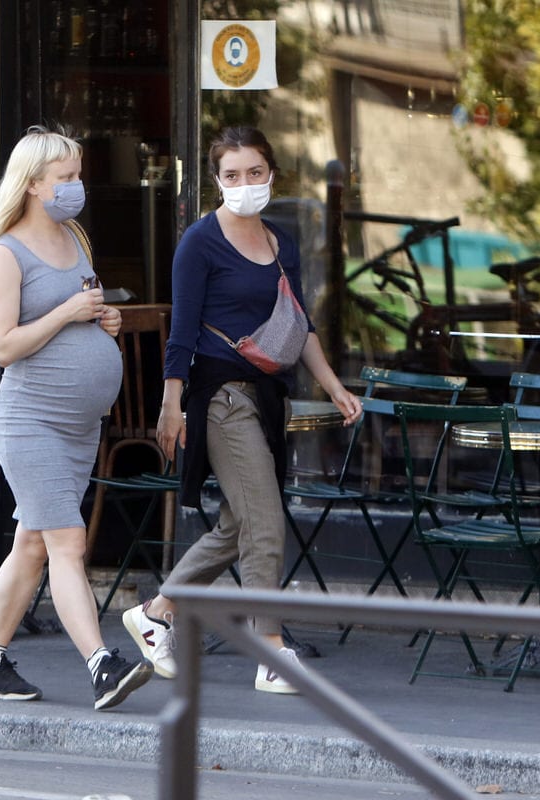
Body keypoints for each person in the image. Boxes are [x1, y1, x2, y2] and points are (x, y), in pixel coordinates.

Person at [122, 126, 362, 694]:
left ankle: (156, 613)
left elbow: (296, 325)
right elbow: (181, 332)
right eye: (232, 175)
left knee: (241, 523)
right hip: (219, 397)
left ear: (272, 174)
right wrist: (171, 403)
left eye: (255, 172)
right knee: (265, 519)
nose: (245, 184)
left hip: (266, 397)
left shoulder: (283, 243)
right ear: (216, 181)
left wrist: (332, 385)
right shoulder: (199, 243)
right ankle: (270, 650)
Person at [0, 126, 152, 710]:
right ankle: (102, 665)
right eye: (65, 178)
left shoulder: (75, 238)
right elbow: (3, 347)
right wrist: (68, 313)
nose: (76, 187)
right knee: (68, 542)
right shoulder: (5, 255)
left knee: (32, 547)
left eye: (77, 176)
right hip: (31, 424)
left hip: (78, 427)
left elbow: (87, 307)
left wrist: (104, 322)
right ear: (32, 185)